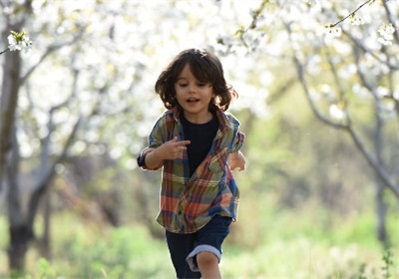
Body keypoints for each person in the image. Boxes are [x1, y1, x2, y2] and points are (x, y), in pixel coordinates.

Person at [137, 48, 246, 279]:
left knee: (206, 256)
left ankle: (207, 254)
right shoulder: (167, 125)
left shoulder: (227, 126)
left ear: (214, 88)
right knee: (188, 275)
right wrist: (161, 153)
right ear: (173, 89)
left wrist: (237, 157)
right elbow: (145, 160)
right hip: (178, 213)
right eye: (183, 84)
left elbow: (234, 144)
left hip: (216, 205)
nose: (192, 90)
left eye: (201, 84)